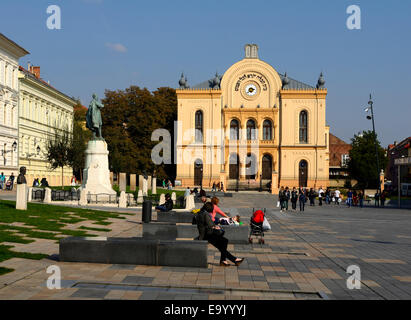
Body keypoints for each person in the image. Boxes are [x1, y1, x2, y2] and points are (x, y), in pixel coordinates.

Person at [196, 202, 244, 267]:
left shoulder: (201, 212)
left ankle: (226, 261)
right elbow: (211, 225)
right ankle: (230, 260)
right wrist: (217, 227)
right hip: (207, 235)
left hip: (206, 234)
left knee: (223, 244)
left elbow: (206, 224)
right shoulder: (205, 214)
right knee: (224, 242)